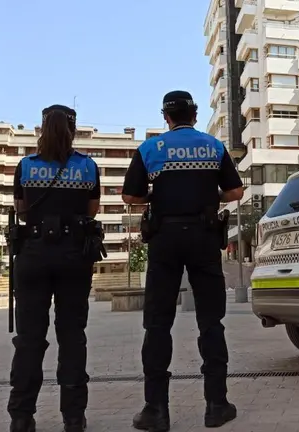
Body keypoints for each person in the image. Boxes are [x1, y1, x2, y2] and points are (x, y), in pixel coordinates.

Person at [122, 91, 244, 431]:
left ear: (166, 118)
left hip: (164, 239)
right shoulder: (213, 146)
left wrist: (155, 195)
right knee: (211, 322)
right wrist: (211, 195)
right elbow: (235, 192)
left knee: (157, 323)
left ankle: (156, 410)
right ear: (194, 114)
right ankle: (217, 406)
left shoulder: (150, 149)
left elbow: (130, 195)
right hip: (204, 237)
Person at [7, 104, 102, 432]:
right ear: (73, 131)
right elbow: (92, 210)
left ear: (42, 129)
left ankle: (21, 417)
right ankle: (74, 418)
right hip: (74, 256)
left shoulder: (26, 166)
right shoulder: (88, 167)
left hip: (32, 255)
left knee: (29, 339)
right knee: (72, 336)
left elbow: (21, 211)